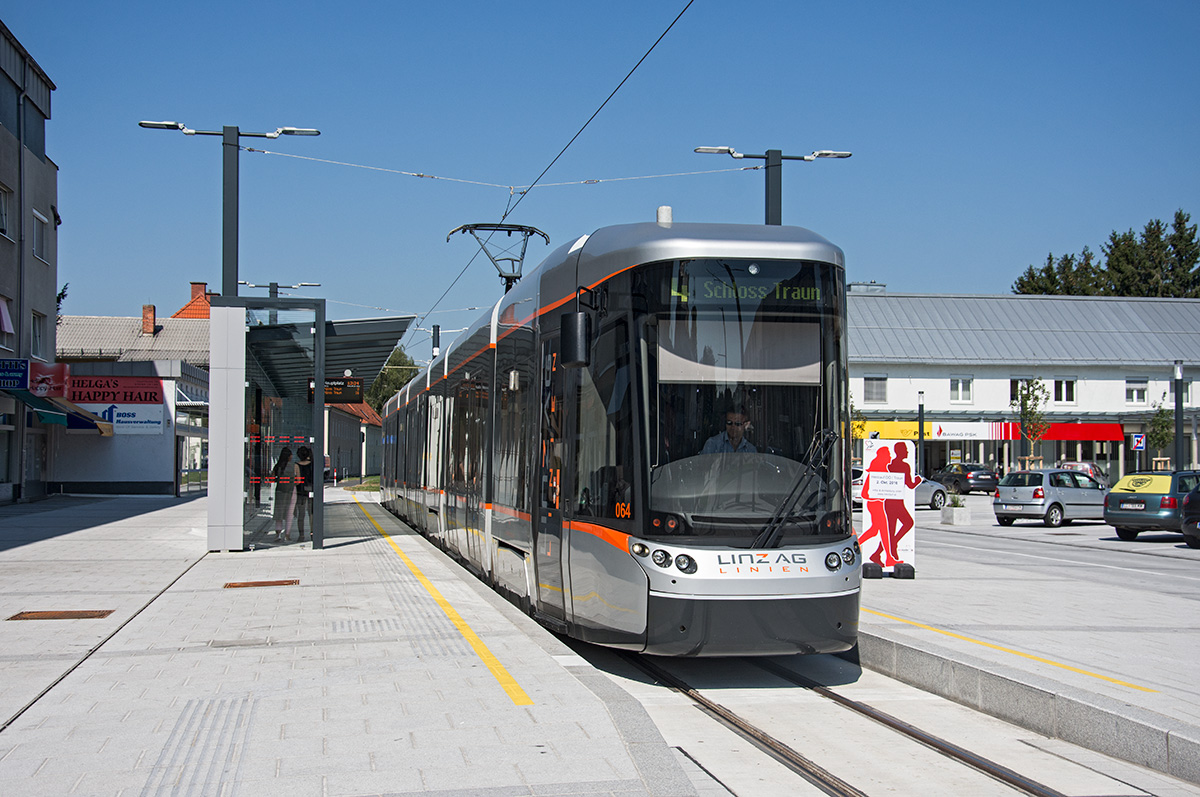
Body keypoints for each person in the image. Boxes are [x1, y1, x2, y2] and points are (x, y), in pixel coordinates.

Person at [271, 447, 300, 542]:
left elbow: (272, 478)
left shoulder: (277, 466)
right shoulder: (295, 466)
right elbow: (298, 481)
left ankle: (278, 534)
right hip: (291, 490)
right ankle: (287, 534)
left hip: (280, 490)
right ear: (289, 456)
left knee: (279, 511)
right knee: (289, 513)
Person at [294, 446, 314, 541]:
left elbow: (297, 480)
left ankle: (301, 535)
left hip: (300, 491)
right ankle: (312, 533)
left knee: (301, 514)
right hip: (311, 491)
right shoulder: (312, 465)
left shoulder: (296, 465)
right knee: (311, 513)